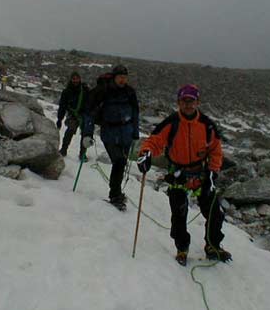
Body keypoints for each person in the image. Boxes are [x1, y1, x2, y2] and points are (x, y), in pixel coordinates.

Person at [136, 84, 232, 266]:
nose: (188, 104)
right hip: (177, 173)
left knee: (215, 212)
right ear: (178, 102)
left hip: (202, 173)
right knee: (179, 214)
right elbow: (155, 141)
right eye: (184, 101)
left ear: (198, 102)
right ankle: (182, 248)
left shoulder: (207, 125)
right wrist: (146, 153)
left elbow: (215, 150)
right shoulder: (171, 123)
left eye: (191, 101)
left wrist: (213, 171)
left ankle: (213, 245)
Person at [82, 65, 139, 211]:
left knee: (122, 162)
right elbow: (88, 112)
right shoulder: (103, 91)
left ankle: (117, 192)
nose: (123, 80)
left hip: (126, 131)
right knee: (119, 161)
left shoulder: (129, 92)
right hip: (109, 132)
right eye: (120, 77)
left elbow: (135, 112)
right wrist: (87, 134)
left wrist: (135, 132)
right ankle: (115, 195)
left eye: (125, 77)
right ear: (114, 77)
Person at [57, 72, 90, 160]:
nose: (75, 80)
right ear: (71, 79)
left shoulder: (85, 90)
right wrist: (59, 119)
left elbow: (90, 102)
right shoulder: (67, 92)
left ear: (80, 79)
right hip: (73, 114)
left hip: (83, 115)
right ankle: (64, 150)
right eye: (73, 78)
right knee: (69, 132)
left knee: (85, 134)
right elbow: (62, 106)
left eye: (77, 78)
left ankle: (83, 153)